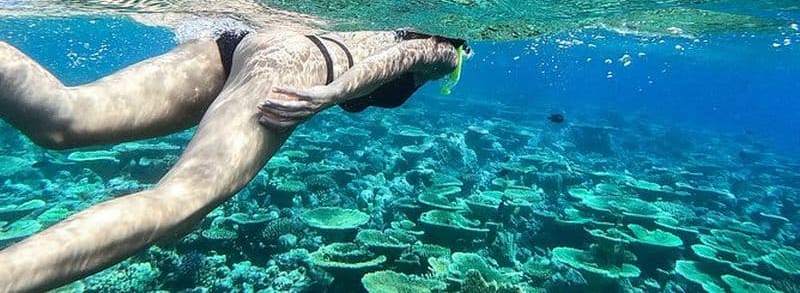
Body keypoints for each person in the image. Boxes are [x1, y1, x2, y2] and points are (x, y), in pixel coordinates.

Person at [0, 27, 470, 292]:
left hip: (240, 43)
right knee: (180, 202)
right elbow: (407, 53)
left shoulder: (376, 17)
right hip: (297, 63)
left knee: (62, 118)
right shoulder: (448, 49)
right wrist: (332, 93)